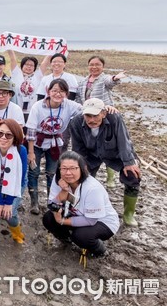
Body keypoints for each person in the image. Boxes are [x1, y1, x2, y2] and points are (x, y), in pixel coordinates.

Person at [71, 98, 141, 226]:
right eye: (88, 116)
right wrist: (82, 165)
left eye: (95, 115)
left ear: (103, 113)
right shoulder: (76, 122)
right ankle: (85, 209)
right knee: (81, 179)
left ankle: (128, 214)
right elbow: (77, 148)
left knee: (132, 176)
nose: (91, 120)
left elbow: (123, 141)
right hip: (91, 154)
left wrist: (129, 162)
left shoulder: (115, 118)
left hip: (114, 153)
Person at [43, 151, 119, 258]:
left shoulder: (92, 188)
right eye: (64, 168)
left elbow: (91, 220)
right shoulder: (59, 180)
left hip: (101, 221)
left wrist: (62, 221)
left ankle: (99, 250)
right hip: (77, 213)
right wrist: (63, 192)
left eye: (73, 168)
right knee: (48, 218)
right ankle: (67, 239)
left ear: (83, 168)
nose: (68, 173)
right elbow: (51, 205)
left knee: (81, 236)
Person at [25, 78, 82, 215]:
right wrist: (31, 152)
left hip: (55, 143)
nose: (58, 94)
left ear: (66, 94)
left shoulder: (69, 105)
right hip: (38, 142)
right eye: (55, 90)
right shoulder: (38, 106)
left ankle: (53, 201)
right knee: (34, 171)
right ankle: (34, 202)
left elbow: (85, 110)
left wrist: (105, 108)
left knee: (53, 173)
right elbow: (31, 131)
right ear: (48, 91)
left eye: (62, 91)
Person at [75, 56, 126, 188]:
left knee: (109, 145)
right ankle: (89, 176)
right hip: (88, 115)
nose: (94, 67)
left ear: (102, 66)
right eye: (91, 64)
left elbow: (110, 82)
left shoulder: (104, 78)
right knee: (91, 145)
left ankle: (110, 177)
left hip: (103, 115)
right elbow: (79, 98)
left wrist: (115, 78)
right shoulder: (83, 81)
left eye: (97, 64)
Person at [7, 50, 49, 121]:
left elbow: (45, 63)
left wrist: (52, 51)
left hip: (32, 111)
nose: (29, 67)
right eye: (26, 64)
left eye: (31, 65)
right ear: (22, 65)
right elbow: (12, 59)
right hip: (16, 110)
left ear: (35, 68)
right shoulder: (16, 74)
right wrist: (8, 46)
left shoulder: (37, 76)